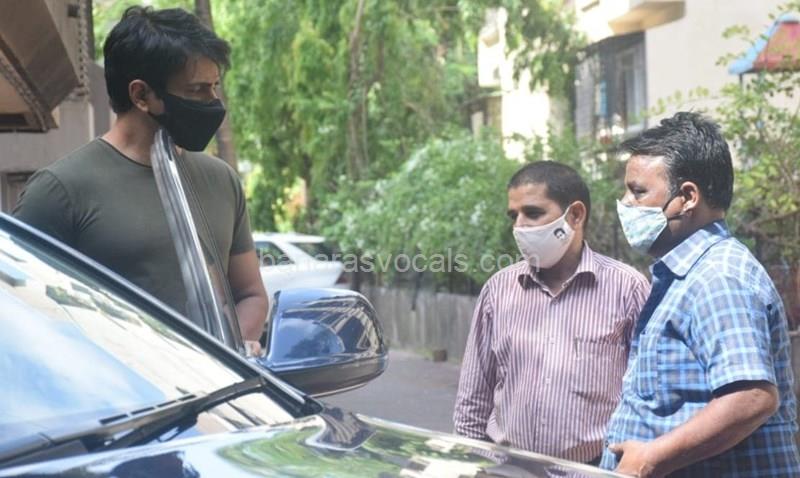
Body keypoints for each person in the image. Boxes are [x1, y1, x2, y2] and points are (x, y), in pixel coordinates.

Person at [13, 7, 268, 344]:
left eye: (214, 86)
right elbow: (20, 315)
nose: (213, 102)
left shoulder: (222, 180)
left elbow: (250, 294)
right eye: (196, 90)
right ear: (141, 95)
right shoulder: (60, 191)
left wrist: (225, 355)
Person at [603, 112, 799, 477]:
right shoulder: (685, 275)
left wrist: (651, 457)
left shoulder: (718, 277)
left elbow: (751, 397)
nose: (625, 203)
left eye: (638, 191)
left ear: (687, 197)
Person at [453, 161, 650, 464]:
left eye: (533, 213)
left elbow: (645, 397)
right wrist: (476, 465)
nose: (519, 226)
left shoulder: (627, 289)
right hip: (506, 470)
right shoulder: (499, 290)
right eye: (514, 215)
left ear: (575, 215)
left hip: (590, 470)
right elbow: (472, 400)